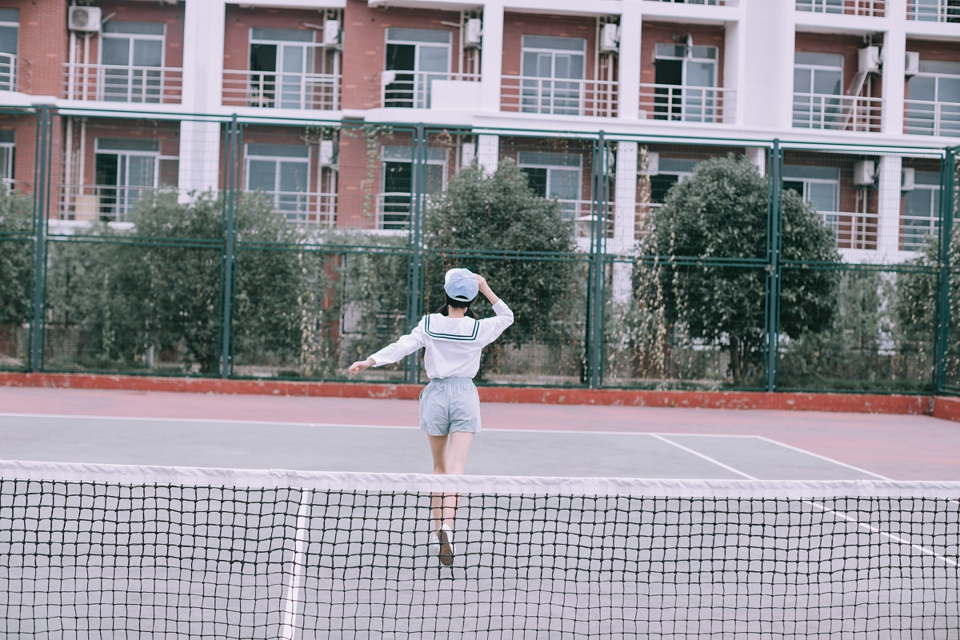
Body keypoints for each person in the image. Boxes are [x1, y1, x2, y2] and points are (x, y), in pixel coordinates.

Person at [348, 269, 513, 566]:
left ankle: (438, 530)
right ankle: (448, 525)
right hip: (464, 397)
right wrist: (486, 288)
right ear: (471, 300)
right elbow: (507, 316)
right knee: (456, 469)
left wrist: (369, 361)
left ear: (446, 296)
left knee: (439, 468)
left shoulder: (429, 323)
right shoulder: (478, 328)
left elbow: (402, 346)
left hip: (436, 397)